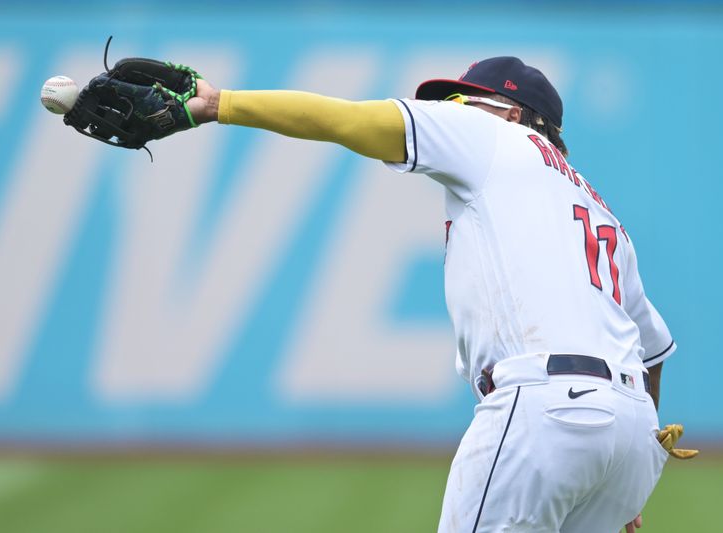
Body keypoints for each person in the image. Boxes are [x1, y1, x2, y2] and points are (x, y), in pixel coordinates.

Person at [185, 56, 693, 533]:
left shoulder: (496, 136)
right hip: (632, 431)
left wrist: (221, 105)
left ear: (514, 113)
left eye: (464, 102)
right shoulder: (601, 213)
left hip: (548, 408)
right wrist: (621, 470)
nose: (450, 111)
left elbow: (346, 120)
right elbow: (652, 352)